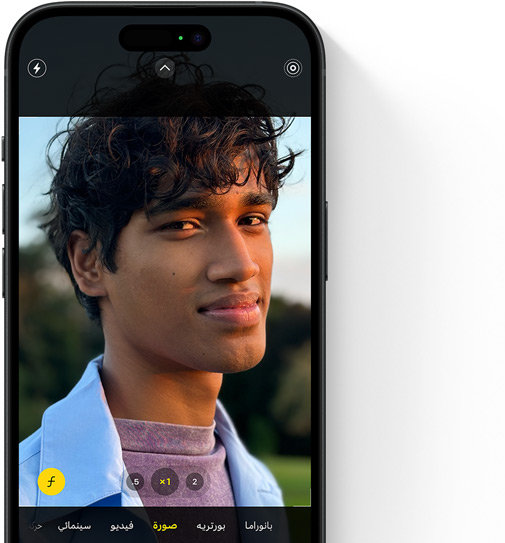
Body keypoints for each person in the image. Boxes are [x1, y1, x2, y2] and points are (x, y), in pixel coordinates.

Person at [19, 109, 297, 509]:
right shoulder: (20, 500)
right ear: (89, 262)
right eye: (183, 224)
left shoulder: (264, 495)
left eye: (252, 219)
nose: (242, 265)